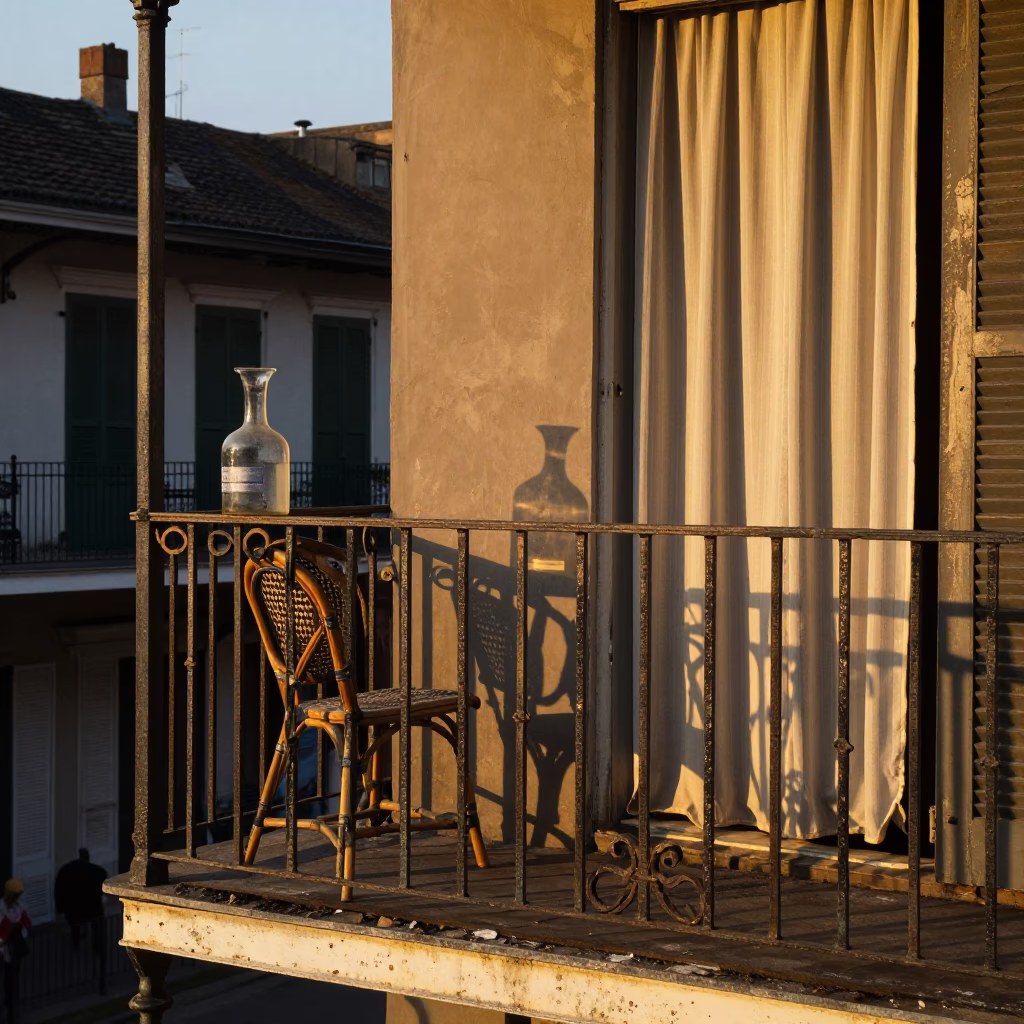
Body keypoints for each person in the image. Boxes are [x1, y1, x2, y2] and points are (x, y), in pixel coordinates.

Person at [54, 850, 108, 992]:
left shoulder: (66, 870)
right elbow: (104, 880)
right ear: (88, 857)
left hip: (74, 907)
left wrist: (60, 908)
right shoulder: (97, 871)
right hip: (92, 906)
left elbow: (58, 889)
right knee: (96, 927)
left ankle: (76, 943)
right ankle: (97, 947)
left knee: (75, 926)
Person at [0, 878, 31, 1024]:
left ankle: (11, 1007)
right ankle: (11, 1006)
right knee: (11, 978)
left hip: (10, 948)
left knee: (11, 979)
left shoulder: (15, 907)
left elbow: (25, 924)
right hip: (8, 947)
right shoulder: (13, 908)